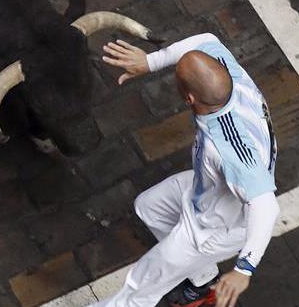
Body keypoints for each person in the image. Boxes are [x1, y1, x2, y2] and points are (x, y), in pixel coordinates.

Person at [95, 33, 280, 307]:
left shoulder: (229, 151)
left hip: (214, 229)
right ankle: (204, 280)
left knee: (136, 292)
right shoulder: (229, 74)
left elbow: (266, 207)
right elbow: (205, 39)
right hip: (207, 191)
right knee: (149, 207)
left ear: (189, 98)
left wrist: (244, 269)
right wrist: (149, 61)